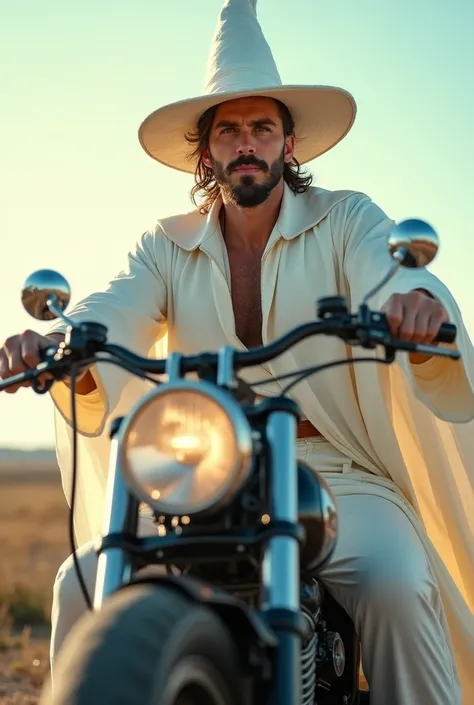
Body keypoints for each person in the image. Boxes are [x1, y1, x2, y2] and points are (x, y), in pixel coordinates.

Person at [1, 1, 473, 704]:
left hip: (338, 471)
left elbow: (391, 271)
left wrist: (415, 304)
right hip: (207, 469)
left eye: (262, 127)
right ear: (206, 150)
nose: (246, 142)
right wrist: (59, 342)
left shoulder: (347, 219)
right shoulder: (165, 243)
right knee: (83, 580)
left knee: (396, 582)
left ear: (290, 145)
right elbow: (112, 312)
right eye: (229, 130)